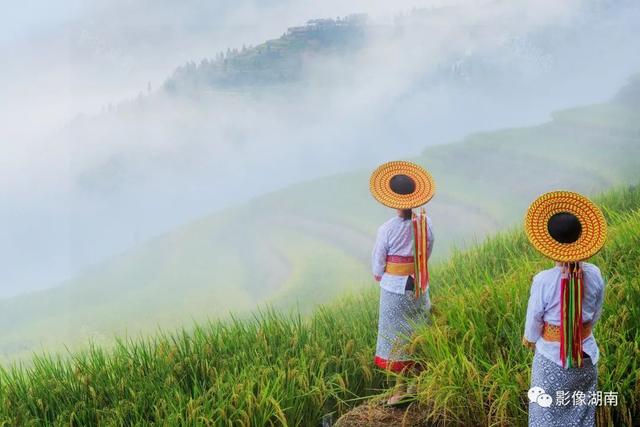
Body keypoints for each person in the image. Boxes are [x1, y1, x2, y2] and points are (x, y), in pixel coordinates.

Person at [522, 191, 608, 427]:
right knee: (580, 414)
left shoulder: (544, 280)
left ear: (550, 242)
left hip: (552, 358)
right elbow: (596, 312)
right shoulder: (595, 274)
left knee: (545, 415)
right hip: (586, 356)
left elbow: (534, 319)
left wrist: (530, 338)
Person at [369, 160, 436, 406]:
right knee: (416, 331)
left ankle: (401, 390)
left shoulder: (386, 229)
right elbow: (427, 250)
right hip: (419, 285)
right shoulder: (425, 223)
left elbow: (378, 261)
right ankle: (415, 383)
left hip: (395, 288)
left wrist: (380, 276)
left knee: (396, 337)